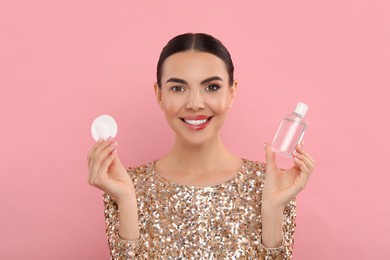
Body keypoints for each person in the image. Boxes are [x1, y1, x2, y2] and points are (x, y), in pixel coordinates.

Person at [87, 33, 315, 259]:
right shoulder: (128, 186)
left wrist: (273, 209)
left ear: (232, 92)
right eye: (178, 88)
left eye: (212, 87)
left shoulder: (269, 183)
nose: (195, 104)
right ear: (159, 95)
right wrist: (127, 200)